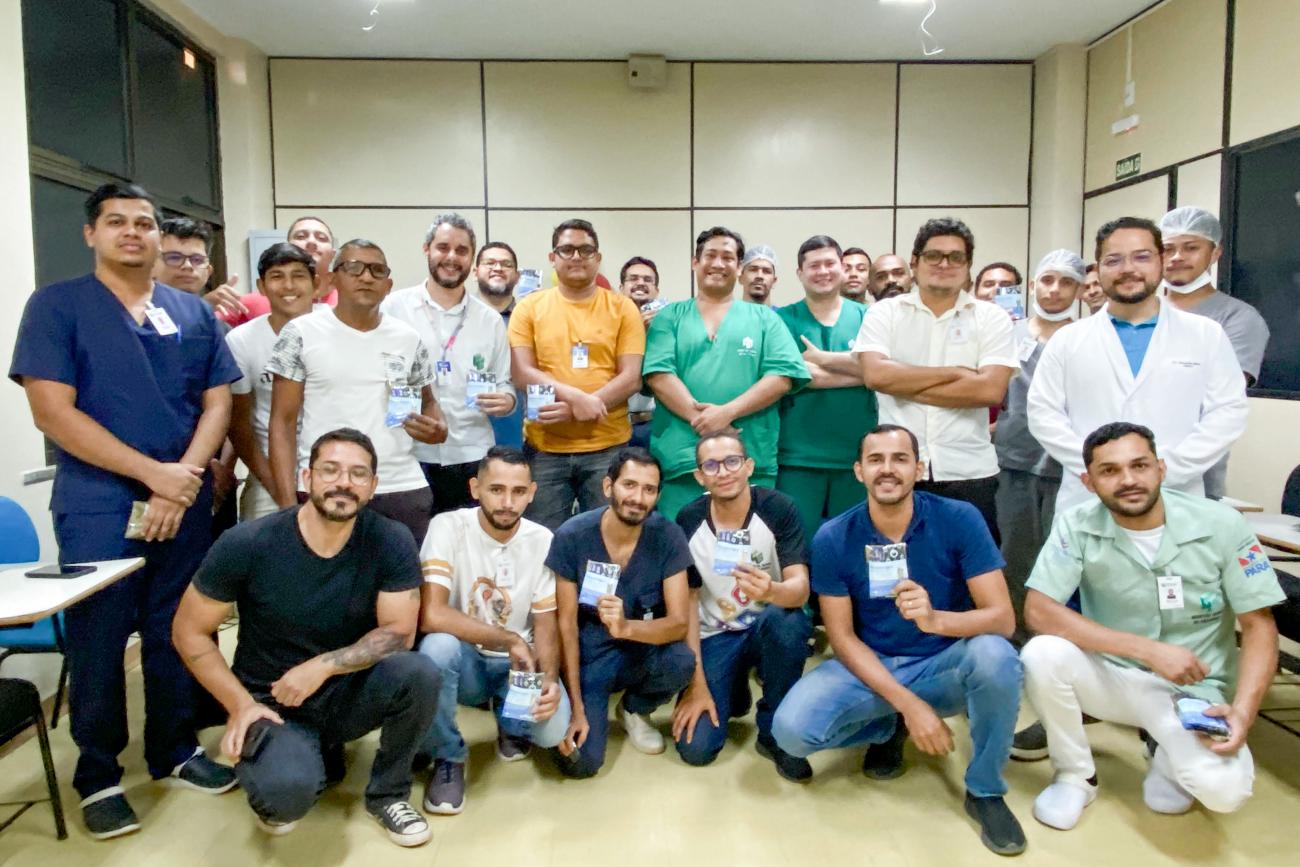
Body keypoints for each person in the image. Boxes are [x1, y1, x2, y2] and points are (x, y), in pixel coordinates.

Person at [9, 183, 241, 839]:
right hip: (101, 503)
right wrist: (153, 477)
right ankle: (99, 775)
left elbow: (217, 402)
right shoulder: (57, 307)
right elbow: (53, 412)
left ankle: (175, 749)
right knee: (101, 639)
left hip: (182, 498)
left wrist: (181, 479)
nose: (132, 232)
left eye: (144, 222)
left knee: (178, 629)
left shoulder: (190, 313)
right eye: (117, 222)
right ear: (92, 233)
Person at [172, 428, 439, 847]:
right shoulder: (248, 542)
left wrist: (323, 666)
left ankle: (388, 794)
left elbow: (398, 634)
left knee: (420, 672)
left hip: (345, 688)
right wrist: (240, 705)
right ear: (307, 477)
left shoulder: (391, 539)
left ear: (373, 486)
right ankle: (292, 762)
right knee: (286, 798)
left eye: (357, 474)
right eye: (330, 470)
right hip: (274, 700)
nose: (343, 483)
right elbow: (189, 631)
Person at [772, 425, 1025, 856]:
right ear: (859, 471)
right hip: (874, 663)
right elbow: (842, 638)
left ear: (918, 468)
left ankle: (985, 789)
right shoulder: (834, 536)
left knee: (996, 656)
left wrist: (934, 619)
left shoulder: (959, 518)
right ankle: (889, 725)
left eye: (900, 459)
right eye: (876, 460)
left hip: (945, 661)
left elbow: (1002, 619)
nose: (887, 469)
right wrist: (909, 706)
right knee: (791, 733)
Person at [1020, 422, 1283, 831]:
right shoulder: (1077, 524)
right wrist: (1146, 650)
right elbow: (1039, 610)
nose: (1127, 480)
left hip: (1194, 691)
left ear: (1161, 468)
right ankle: (1075, 776)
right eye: (1109, 471)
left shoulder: (1221, 524)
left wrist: (1244, 712)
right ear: (1089, 482)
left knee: (1225, 792)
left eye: (1139, 465)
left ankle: (1165, 755)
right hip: (1113, 676)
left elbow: (1258, 625)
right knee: (1041, 654)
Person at [1027, 217, 1249, 512]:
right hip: (1088, 498)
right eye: (1113, 260)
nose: (1128, 269)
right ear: (1098, 268)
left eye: (1142, 257)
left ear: (1162, 261)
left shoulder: (1205, 334)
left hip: (1176, 496)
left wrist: (1168, 469)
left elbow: (1227, 412)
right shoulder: (1068, 340)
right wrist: (1101, 467)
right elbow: (1043, 414)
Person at [415, 446, 571, 814]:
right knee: (436, 648)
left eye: (518, 492)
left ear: (532, 493)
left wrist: (549, 679)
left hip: (518, 669)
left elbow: (546, 625)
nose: (507, 502)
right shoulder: (447, 527)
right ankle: (448, 757)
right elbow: (432, 614)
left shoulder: (543, 539)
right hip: (466, 660)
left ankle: (509, 719)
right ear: (475, 488)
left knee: (551, 731)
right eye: (496, 490)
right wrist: (509, 638)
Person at [266, 239, 448, 545]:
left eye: (377, 270)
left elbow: (429, 403)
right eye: (354, 268)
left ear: (388, 286)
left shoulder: (408, 339)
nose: (366, 277)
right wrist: (286, 505)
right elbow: (281, 423)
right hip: (328, 486)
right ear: (332, 279)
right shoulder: (301, 333)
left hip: (400, 486)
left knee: (403, 575)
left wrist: (437, 428)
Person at [855, 218, 1017, 541]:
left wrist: (901, 383)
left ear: (968, 267)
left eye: (956, 257)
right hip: (898, 472)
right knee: (897, 564)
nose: (944, 264)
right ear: (914, 263)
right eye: (934, 256)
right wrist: (956, 374)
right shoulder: (885, 313)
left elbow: (989, 390)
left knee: (972, 566)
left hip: (969, 470)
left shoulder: (992, 318)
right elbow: (875, 375)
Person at [547, 448, 696, 778]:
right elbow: (565, 626)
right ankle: (577, 711)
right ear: (607, 486)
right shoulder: (572, 536)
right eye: (629, 485)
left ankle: (634, 708)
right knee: (582, 764)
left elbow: (678, 624)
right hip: (590, 658)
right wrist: (576, 708)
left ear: (657, 496)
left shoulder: (668, 536)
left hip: (640, 647)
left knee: (681, 660)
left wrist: (626, 627)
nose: (638, 498)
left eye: (649, 489)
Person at [672, 432, 812, 778]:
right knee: (696, 749)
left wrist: (771, 591)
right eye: (711, 465)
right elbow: (688, 604)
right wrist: (696, 685)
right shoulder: (688, 519)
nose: (723, 472)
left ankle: (774, 732)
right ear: (699, 476)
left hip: (766, 627)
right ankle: (731, 688)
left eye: (732, 461)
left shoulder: (779, 508)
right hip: (715, 634)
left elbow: (800, 589)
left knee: (789, 622)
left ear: (748, 466)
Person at [644, 227, 809, 519]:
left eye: (728, 257)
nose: (718, 264)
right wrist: (705, 422)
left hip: (749, 459)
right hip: (684, 461)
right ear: (695, 262)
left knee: (750, 544)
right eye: (710, 255)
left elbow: (782, 376)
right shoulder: (670, 316)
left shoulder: (765, 319)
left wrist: (726, 413)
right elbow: (659, 374)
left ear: (739, 267)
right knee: (682, 544)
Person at [507, 219, 645, 529]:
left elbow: (631, 377)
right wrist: (577, 400)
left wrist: (580, 409)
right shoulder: (529, 308)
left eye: (586, 250)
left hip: (608, 448)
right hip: (544, 449)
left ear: (598, 258)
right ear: (552, 257)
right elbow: (522, 373)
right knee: (544, 539)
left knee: (609, 536)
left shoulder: (623, 308)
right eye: (566, 250)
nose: (576, 256)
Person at [383, 214, 515, 515]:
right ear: (426, 249)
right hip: (407, 453)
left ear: (472, 259)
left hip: (471, 453)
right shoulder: (393, 309)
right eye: (443, 247)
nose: (452, 257)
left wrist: (506, 401)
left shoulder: (490, 320)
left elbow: (505, 383)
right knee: (412, 539)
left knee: (468, 539)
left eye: (462, 250)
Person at [994, 250, 1083, 641]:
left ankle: (1057, 640)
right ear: (1032, 285)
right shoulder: (1008, 334)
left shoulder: (1086, 337)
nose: (1055, 290)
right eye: (1047, 280)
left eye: (1066, 282)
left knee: (1063, 556)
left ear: (1080, 290)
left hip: (1068, 465)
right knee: (1015, 555)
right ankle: (1016, 639)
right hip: (1013, 459)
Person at [1158, 206, 1271, 498]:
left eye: (1191, 248)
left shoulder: (1238, 319)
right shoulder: (1140, 313)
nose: (1177, 257)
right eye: (1167, 249)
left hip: (1192, 477)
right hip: (1119, 470)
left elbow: (1222, 401)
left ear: (1215, 253)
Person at [775, 235, 878, 539]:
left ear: (843, 268)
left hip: (856, 455)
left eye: (830, 263)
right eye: (814, 265)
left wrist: (822, 361)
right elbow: (796, 375)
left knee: (855, 544)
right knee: (797, 545)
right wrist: (862, 371)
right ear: (800, 273)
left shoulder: (869, 317)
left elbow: (883, 370)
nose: (823, 271)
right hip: (798, 457)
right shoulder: (781, 320)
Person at [226, 243, 317, 521]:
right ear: (261, 287)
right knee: (261, 542)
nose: (288, 285)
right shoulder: (242, 340)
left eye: (298, 276)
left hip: (332, 469)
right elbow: (239, 425)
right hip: (269, 472)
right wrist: (277, 488)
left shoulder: (335, 329)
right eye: (277, 276)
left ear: (315, 283)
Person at [217, 216, 339, 327]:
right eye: (301, 236)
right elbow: (209, 326)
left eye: (321, 238)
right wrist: (207, 304)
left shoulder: (346, 301)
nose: (311, 242)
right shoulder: (252, 302)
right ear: (287, 247)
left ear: (333, 254)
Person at [474, 241, 525, 449]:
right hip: (467, 437)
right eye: (490, 263)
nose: (498, 268)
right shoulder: (458, 320)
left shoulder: (530, 319)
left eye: (506, 264)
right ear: (475, 272)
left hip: (521, 433)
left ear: (517, 276)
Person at [154, 217, 247, 321]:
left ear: (209, 271)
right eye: (174, 258)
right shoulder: (142, 312)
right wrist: (200, 307)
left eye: (197, 259)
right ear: (153, 266)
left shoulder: (218, 322)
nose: (187, 266)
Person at [618, 256, 664, 448]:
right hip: (615, 425)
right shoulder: (607, 325)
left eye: (647, 280)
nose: (640, 283)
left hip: (653, 424)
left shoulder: (668, 328)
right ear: (621, 288)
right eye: (633, 278)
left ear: (656, 291)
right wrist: (636, 333)